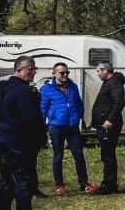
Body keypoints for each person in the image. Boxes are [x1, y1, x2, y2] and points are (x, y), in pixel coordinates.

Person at [0, 56, 47, 210]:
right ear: (19, 70)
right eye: (30, 69)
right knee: (22, 183)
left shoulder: (4, 89)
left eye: (34, 69)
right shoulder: (24, 92)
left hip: (3, 138)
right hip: (19, 142)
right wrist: (40, 138)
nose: (33, 72)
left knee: (5, 182)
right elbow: (30, 119)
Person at [39, 62, 96, 195]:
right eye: (62, 73)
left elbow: (79, 104)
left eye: (67, 72)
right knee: (58, 155)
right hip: (56, 127)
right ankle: (59, 185)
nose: (65, 75)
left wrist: (79, 117)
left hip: (72, 127)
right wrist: (43, 126)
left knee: (78, 154)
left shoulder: (73, 87)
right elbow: (42, 109)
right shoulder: (46, 89)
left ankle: (84, 183)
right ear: (54, 74)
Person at [91, 62, 125, 195]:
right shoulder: (108, 83)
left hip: (109, 126)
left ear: (106, 70)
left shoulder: (114, 83)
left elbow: (119, 103)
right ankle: (110, 184)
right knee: (106, 154)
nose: (98, 74)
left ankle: (108, 185)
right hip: (103, 124)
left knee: (108, 155)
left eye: (99, 71)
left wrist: (109, 119)